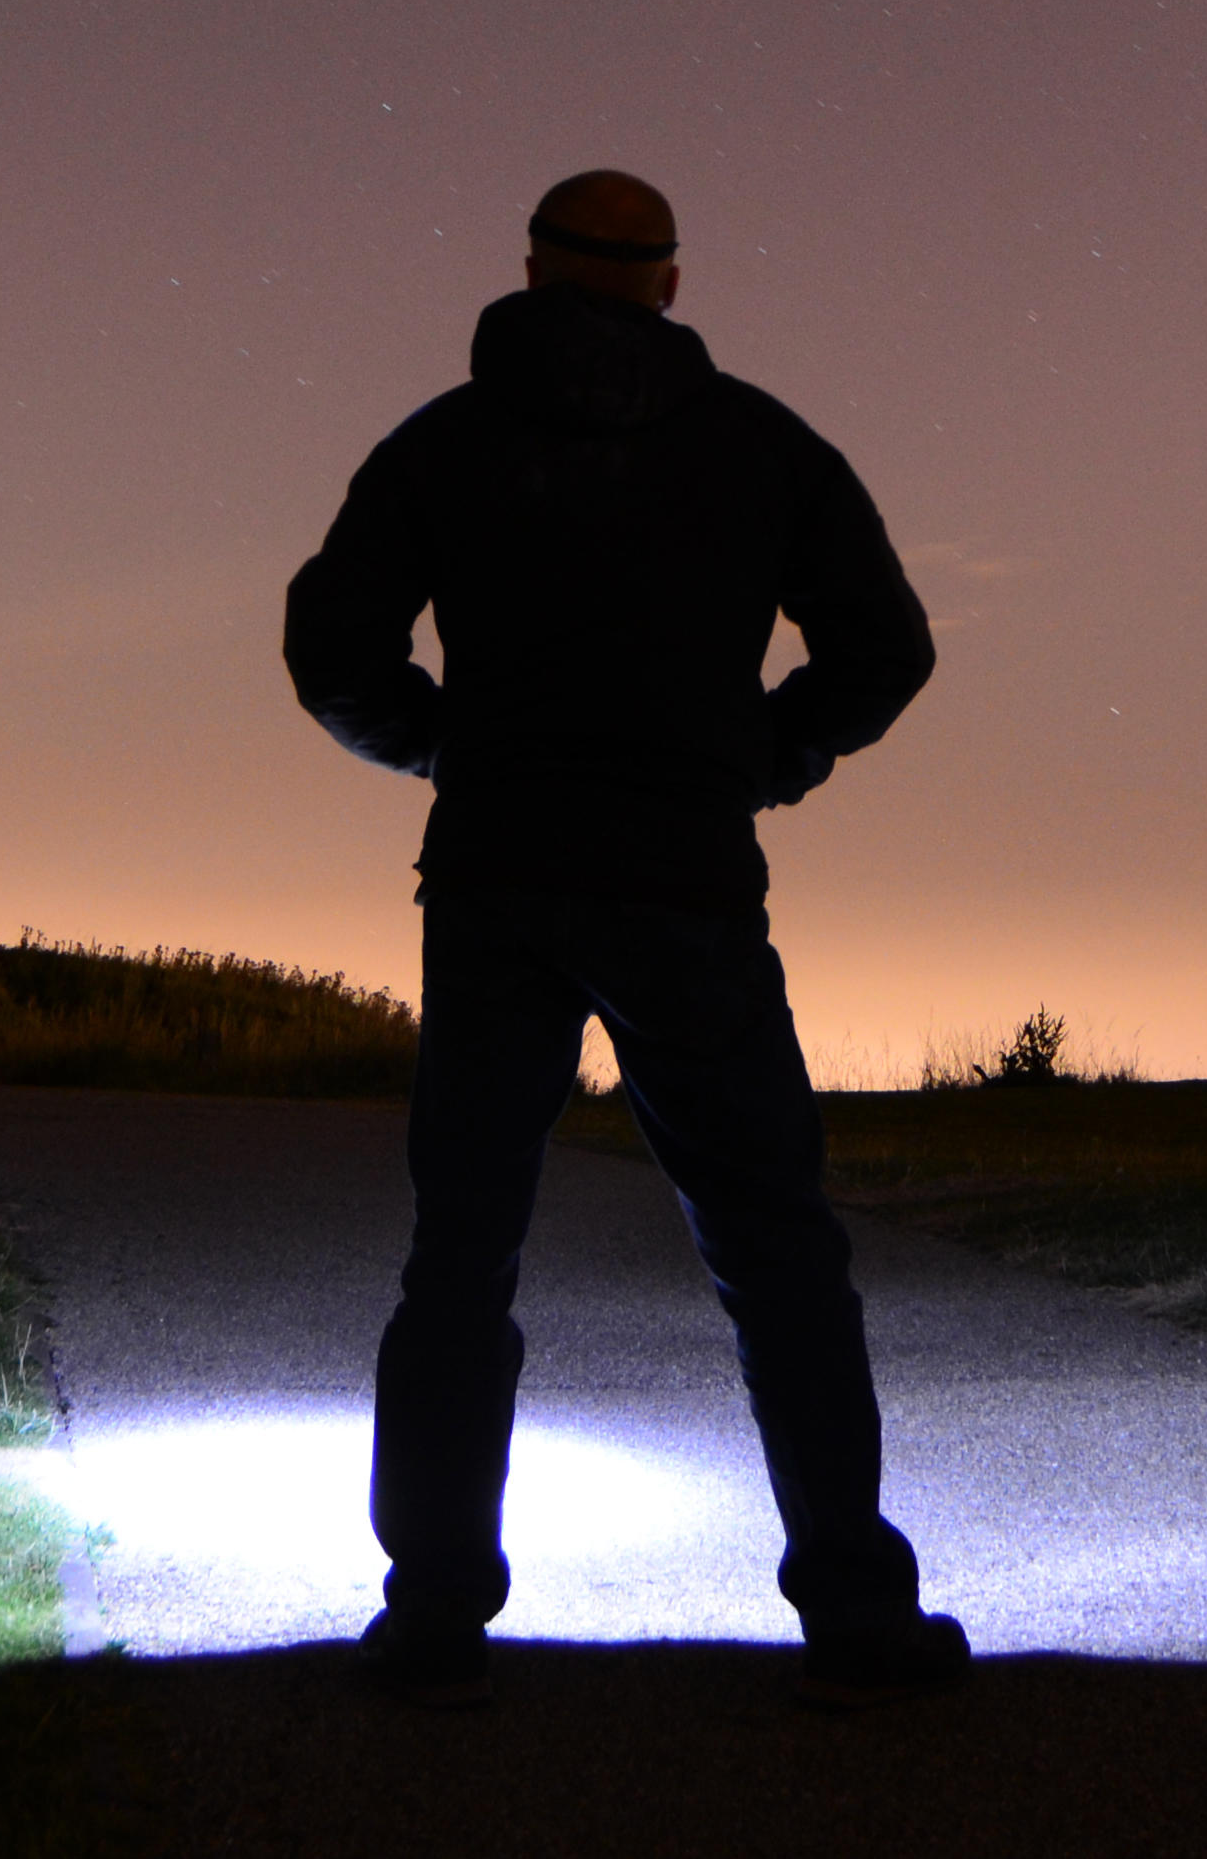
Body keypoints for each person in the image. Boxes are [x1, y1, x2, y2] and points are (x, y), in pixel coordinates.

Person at [283, 167, 961, 1712]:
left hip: (500, 880)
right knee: (778, 1246)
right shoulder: (762, 446)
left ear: (530, 271)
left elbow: (332, 651)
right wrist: (764, 757)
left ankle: (436, 1608)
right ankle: (854, 1600)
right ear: (668, 281)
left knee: (462, 1250)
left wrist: (443, 750)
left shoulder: (443, 445)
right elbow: (888, 647)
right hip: (685, 886)